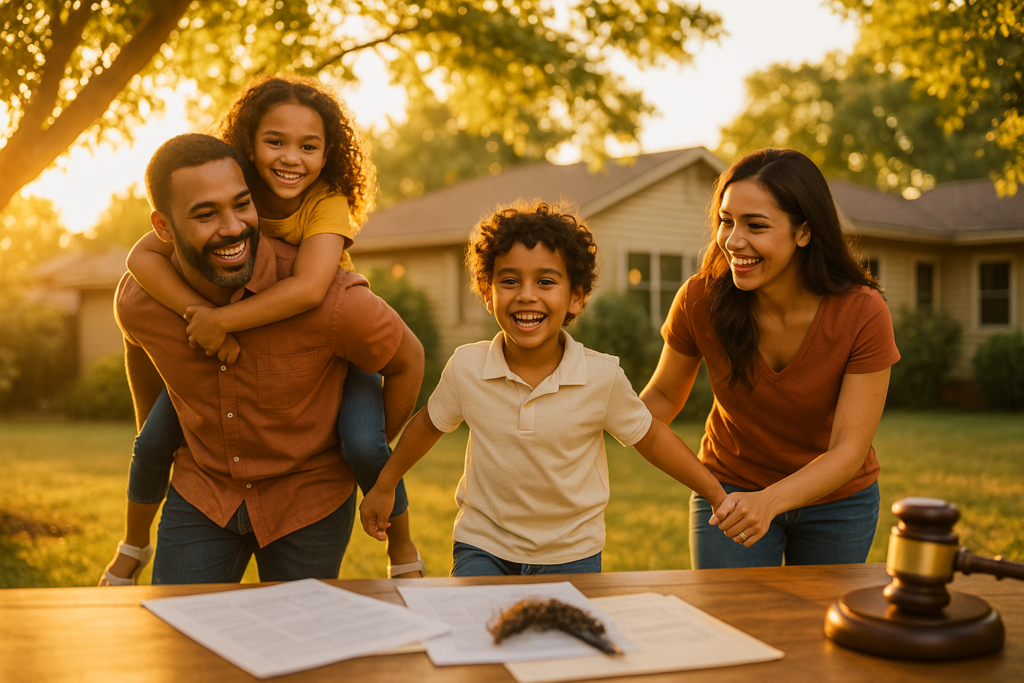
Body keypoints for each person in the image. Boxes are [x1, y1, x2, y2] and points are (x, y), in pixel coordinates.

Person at [101, 76, 423, 585]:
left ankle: (403, 550)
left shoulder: (326, 216)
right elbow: (139, 263)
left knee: (365, 446)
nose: (290, 158)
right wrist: (195, 316)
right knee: (151, 441)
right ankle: (131, 545)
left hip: (312, 482)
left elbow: (310, 290)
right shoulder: (153, 285)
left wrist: (221, 322)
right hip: (204, 493)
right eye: (275, 142)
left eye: (308, 146)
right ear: (248, 148)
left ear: (327, 153)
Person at [358, 201, 727, 577]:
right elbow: (428, 426)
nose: (527, 295)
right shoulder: (467, 367)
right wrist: (385, 485)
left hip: (571, 552)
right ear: (488, 293)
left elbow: (652, 438)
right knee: (475, 630)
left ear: (576, 296)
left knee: (563, 636)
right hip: (483, 544)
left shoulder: (601, 376)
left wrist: (716, 494)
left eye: (546, 282)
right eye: (510, 281)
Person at [639, 148, 900, 569]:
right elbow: (662, 401)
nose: (733, 241)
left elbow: (849, 448)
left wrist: (770, 502)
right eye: (726, 221)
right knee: (728, 627)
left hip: (837, 502)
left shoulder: (861, 311)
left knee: (819, 629)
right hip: (730, 489)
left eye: (756, 226)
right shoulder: (699, 299)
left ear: (804, 232)